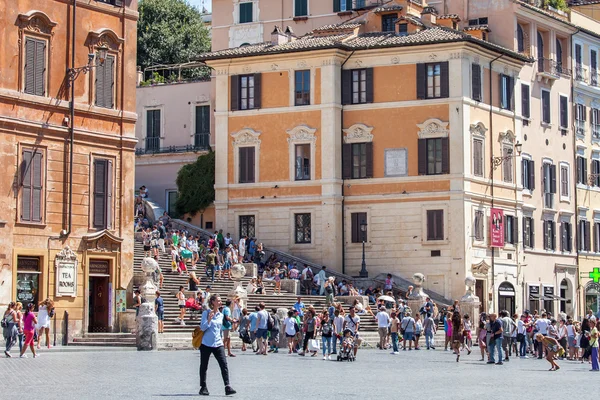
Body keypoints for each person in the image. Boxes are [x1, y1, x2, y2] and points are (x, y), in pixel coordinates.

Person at [199, 294, 236, 396]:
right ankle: (203, 386)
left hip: (218, 343)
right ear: (212, 302)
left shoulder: (221, 315)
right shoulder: (206, 313)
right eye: (218, 301)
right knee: (204, 365)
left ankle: (227, 386)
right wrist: (209, 320)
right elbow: (202, 328)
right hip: (206, 343)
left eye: (220, 301)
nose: (220, 302)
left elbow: (221, 327)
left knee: (224, 364)